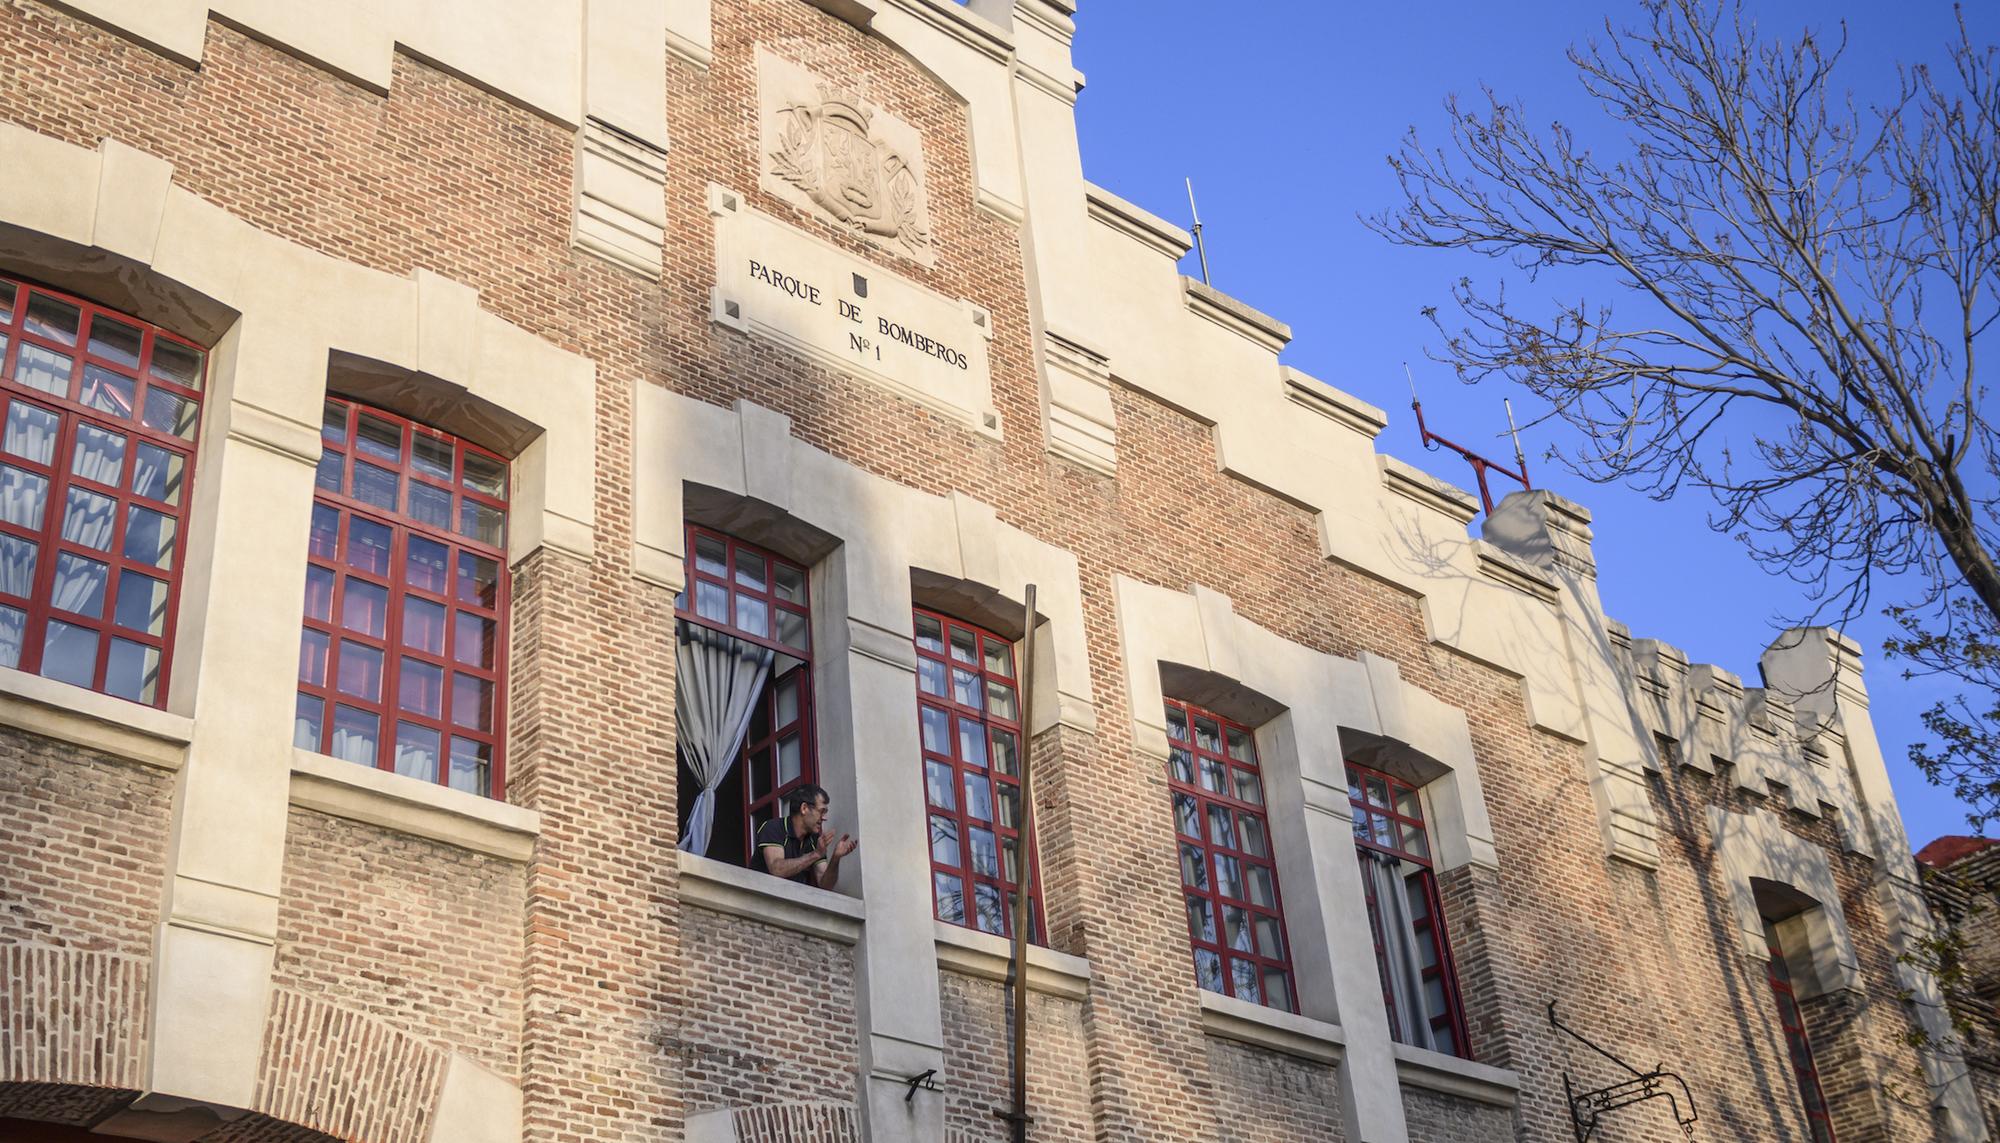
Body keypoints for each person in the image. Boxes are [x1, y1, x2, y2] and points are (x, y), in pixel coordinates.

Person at [754, 784, 857, 888]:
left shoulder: (814, 838)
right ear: (804, 808)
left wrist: (835, 858)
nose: (825, 818)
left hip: (790, 902)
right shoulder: (774, 827)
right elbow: (776, 869)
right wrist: (816, 854)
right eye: (822, 811)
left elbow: (826, 885)